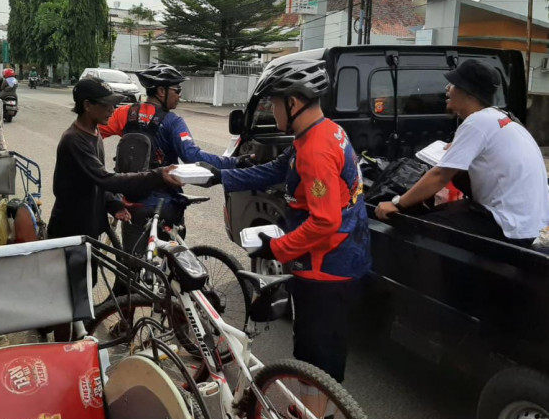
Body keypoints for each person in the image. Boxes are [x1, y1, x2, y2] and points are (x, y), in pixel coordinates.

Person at [203, 59, 371, 392]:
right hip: (340, 255)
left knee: (316, 358)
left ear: (293, 103)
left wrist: (275, 247)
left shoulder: (316, 150)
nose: (272, 111)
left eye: (274, 104)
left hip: (326, 267)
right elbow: (275, 170)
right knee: (319, 350)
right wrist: (220, 176)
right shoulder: (322, 131)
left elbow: (324, 220)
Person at [375, 59, 549, 246]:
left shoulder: (477, 122)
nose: (447, 88)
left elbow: (440, 175)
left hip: (510, 226)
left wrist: (397, 203)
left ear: (468, 92)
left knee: (419, 229)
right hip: (530, 222)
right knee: (448, 210)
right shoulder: (501, 119)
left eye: (453, 84)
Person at [99, 63, 250, 254]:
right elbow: (192, 155)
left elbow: (94, 135)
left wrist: (102, 174)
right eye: (177, 90)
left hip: (132, 202)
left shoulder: (125, 113)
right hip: (164, 204)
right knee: (169, 261)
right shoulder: (172, 122)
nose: (180, 95)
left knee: (133, 263)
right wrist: (234, 162)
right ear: (161, 91)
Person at [47, 76, 183, 242]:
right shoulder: (74, 140)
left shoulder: (94, 133)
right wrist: (158, 175)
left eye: (113, 104)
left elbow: (95, 181)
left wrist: (114, 205)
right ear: (87, 105)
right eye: (106, 104)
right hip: (70, 231)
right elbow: (105, 179)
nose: (112, 109)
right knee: (79, 269)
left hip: (90, 226)